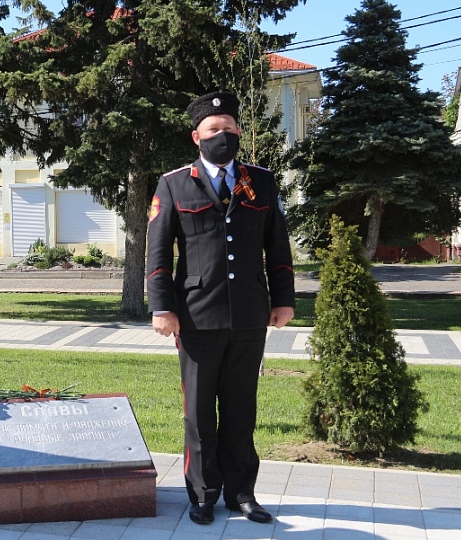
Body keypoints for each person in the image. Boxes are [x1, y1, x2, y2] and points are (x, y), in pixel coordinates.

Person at [146, 91, 295, 526]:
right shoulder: (174, 183)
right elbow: (158, 252)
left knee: (240, 409)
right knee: (198, 414)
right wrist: (162, 307)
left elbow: (277, 245)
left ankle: (242, 493)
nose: (222, 135)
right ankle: (203, 495)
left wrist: (284, 299)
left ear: (239, 132)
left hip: (249, 313)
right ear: (197, 137)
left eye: (228, 128)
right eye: (213, 129)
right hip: (195, 316)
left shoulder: (261, 181)